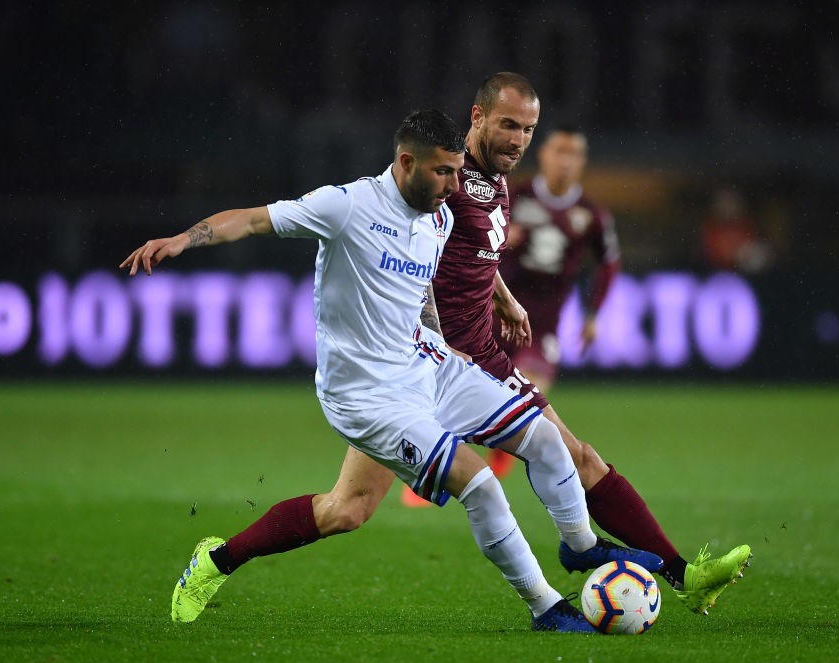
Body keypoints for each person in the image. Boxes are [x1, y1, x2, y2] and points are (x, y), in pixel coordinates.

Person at [121, 109, 651, 632]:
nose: (454, 184)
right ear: (406, 162)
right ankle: (547, 609)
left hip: (428, 365)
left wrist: (447, 337)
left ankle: (581, 547)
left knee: (529, 438)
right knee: (482, 485)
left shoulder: (439, 215)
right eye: (444, 171)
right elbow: (253, 219)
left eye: (457, 171)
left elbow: (420, 288)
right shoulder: (346, 205)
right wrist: (182, 240)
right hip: (367, 395)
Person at [339, 73, 750, 616]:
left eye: (528, 130)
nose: (518, 140)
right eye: (508, 125)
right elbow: (396, 249)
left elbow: (475, 250)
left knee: (577, 454)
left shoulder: (498, 179)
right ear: (477, 117)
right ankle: (219, 559)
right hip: (419, 368)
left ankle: (682, 576)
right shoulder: (447, 177)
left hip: (480, 360)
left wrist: (502, 297)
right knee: (346, 509)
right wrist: (428, 337)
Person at [481, 124, 621, 478]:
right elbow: (472, 234)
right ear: (543, 155)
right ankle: (436, 465)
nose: (565, 162)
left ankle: (500, 456)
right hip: (494, 311)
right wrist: (499, 237)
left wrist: (593, 313)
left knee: (531, 390)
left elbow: (609, 263)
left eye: (573, 154)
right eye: (559, 152)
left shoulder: (591, 215)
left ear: (582, 162)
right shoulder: (514, 196)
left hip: (543, 322)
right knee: (470, 393)